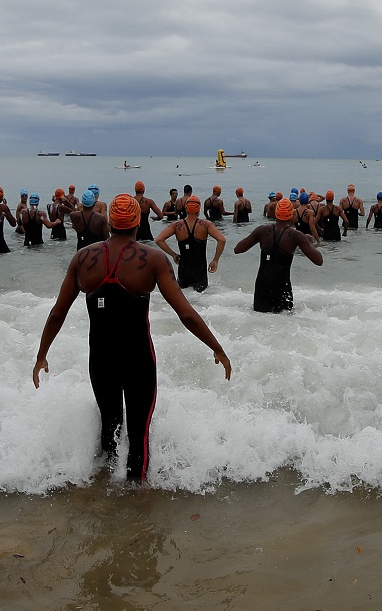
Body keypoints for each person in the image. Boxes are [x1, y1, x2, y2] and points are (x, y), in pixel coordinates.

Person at [33, 194, 231, 481]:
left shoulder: (83, 258)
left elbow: (57, 314)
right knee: (139, 432)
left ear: (111, 221)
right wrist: (217, 347)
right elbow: (185, 313)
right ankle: (136, 497)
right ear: (138, 221)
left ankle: (107, 491)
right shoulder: (153, 259)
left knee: (109, 425)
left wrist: (42, 355)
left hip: (100, 359)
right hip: (138, 360)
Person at [233, 198, 323, 313]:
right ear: (292, 215)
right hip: (282, 288)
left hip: (262, 287)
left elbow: (238, 249)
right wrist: (310, 243)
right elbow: (319, 260)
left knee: (259, 322)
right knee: (283, 325)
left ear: (276, 214)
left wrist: (257, 238)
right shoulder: (296, 236)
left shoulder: (262, 230)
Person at [154, 195, 227, 292]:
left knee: (184, 295)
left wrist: (173, 254)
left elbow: (159, 240)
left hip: (184, 268)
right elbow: (222, 240)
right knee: (201, 297)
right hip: (200, 269)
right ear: (199, 209)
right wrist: (215, 260)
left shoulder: (176, 225)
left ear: (186, 208)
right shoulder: (206, 225)